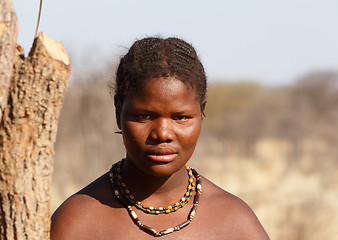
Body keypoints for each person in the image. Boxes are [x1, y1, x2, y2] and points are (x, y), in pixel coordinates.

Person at [50, 37, 270, 239]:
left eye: (181, 117)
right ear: (119, 111)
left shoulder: (233, 222)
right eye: (144, 116)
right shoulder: (77, 222)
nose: (162, 133)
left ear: (201, 112)